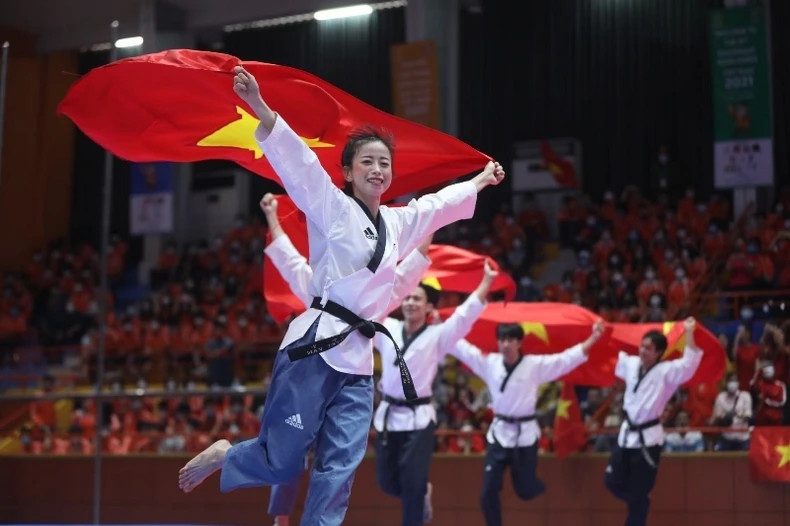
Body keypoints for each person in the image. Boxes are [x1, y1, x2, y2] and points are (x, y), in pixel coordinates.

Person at [178, 65, 504, 526]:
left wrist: (478, 181)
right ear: (349, 172)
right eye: (367, 161)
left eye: (384, 163)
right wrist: (259, 106)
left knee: (339, 470)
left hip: (357, 363)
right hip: (314, 347)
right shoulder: (330, 206)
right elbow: (299, 164)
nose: (377, 168)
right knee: (283, 463)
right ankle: (229, 456)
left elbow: (436, 207)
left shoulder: (396, 222)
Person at [262, 191, 497, 524]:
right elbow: (289, 261)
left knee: (341, 467)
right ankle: (280, 517)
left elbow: (407, 278)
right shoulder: (318, 288)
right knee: (290, 449)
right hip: (311, 382)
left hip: (360, 394)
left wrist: (429, 226)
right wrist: (273, 217)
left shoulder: (377, 307)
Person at [450, 320, 606, 526]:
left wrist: (593, 338)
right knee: (487, 492)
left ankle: (537, 485)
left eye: (510, 340)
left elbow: (565, 360)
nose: (505, 344)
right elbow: (464, 350)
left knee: (525, 490)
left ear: (519, 342)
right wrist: (440, 326)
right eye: (502, 340)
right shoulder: (490, 363)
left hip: (525, 437)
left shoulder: (534, 365)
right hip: (499, 434)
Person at [603, 317, 703, 526]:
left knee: (639, 495)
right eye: (641, 345)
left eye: (648, 348)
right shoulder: (631, 364)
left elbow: (690, 362)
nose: (641, 350)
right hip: (626, 435)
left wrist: (689, 332)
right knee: (611, 482)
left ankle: (638, 509)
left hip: (648, 440)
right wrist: (600, 332)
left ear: (658, 353)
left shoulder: (666, 372)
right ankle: (641, 501)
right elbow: (610, 350)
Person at [711, 372, 752, 451]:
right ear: (726, 383)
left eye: (735, 381)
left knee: (744, 462)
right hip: (726, 437)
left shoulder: (745, 396)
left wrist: (732, 416)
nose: (732, 383)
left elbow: (747, 416)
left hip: (743, 438)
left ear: (738, 383)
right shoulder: (721, 397)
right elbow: (718, 416)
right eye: (730, 381)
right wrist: (734, 416)